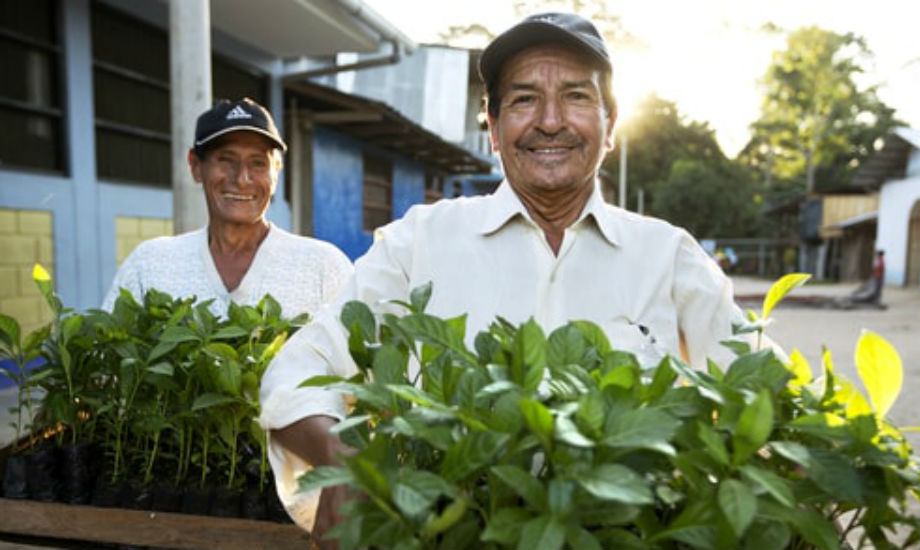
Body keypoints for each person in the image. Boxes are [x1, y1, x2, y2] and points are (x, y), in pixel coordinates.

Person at [259, 13, 762, 548]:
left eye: (575, 97)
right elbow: (296, 371)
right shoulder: (422, 240)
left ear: (611, 123)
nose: (550, 121)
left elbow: (764, 391)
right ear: (493, 128)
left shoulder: (669, 255)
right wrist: (347, 462)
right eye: (523, 99)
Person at [102, 98, 353, 320]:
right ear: (195, 166)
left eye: (258, 163)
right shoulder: (150, 264)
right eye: (226, 160)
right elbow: (107, 361)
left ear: (276, 170)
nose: (242, 179)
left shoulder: (323, 267)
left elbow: (360, 364)